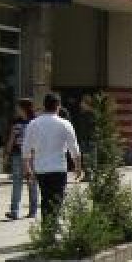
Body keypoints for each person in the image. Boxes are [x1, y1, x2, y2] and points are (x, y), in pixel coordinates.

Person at [23, 93, 82, 221]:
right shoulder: (65, 124)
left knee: (45, 198)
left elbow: (26, 148)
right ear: (58, 106)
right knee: (57, 200)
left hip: (41, 169)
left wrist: (27, 168)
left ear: (44, 106)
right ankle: (53, 226)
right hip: (58, 168)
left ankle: (47, 226)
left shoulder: (34, 124)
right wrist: (78, 167)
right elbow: (74, 147)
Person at [3, 98, 39, 220]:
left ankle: (32, 210)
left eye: (18, 107)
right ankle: (14, 211)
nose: (17, 109)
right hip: (18, 155)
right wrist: (7, 153)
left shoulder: (34, 122)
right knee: (17, 183)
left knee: (31, 183)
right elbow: (11, 139)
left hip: (31, 156)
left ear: (23, 108)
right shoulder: (17, 122)